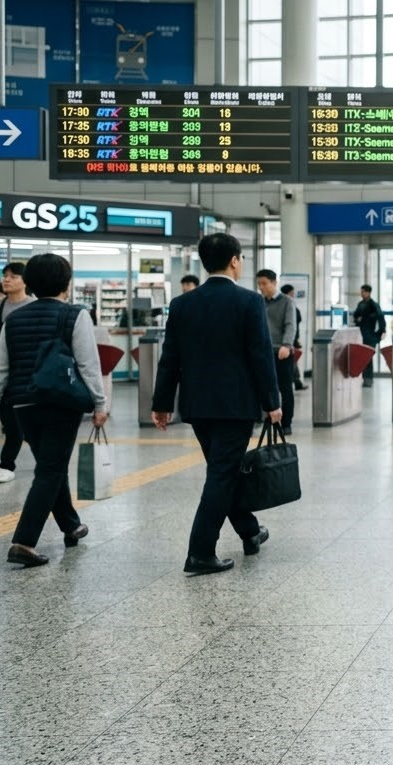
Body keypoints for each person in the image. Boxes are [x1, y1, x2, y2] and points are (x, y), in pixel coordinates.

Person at [152, 233, 281, 576]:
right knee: (222, 474)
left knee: (225, 471)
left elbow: (170, 359)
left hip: (197, 406)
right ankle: (200, 552)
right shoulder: (249, 301)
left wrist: (162, 402)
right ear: (235, 260)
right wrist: (272, 401)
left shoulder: (182, 304)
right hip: (235, 405)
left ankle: (250, 531)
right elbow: (260, 356)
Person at [0, 253, 108, 567]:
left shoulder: (14, 318)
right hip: (60, 403)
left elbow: (0, 369)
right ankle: (23, 541)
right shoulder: (75, 315)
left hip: (23, 405)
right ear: (66, 283)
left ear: (31, 283)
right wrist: (100, 403)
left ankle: (70, 525)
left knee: (51, 464)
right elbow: (88, 365)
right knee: (50, 470)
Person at [0, 262, 35, 484]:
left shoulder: (33, 306)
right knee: (10, 421)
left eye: (13, 276)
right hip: (2, 372)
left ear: (25, 281)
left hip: (29, 373)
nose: (7, 280)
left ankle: (43, 461)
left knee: (31, 424)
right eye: (5, 276)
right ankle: (6, 464)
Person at [256, 270, 297, 436]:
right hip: (263, 352)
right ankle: (264, 418)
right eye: (259, 284)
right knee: (262, 387)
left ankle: (286, 423)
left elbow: (290, 325)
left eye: (264, 283)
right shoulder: (258, 302)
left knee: (285, 389)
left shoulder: (287, 301)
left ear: (274, 283)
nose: (261, 287)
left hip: (282, 352)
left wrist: (286, 345)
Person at [352, 284, 385, 388]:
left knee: (368, 357)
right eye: (361, 292)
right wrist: (357, 319)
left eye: (363, 292)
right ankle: (365, 378)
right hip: (362, 335)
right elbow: (356, 316)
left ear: (368, 292)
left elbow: (380, 319)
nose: (361, 293)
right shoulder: (360, 304)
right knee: (364, 356)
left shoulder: (374, 305)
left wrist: (381, 332)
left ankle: (368, 379)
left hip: (370, 336)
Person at [280, 284, 306, 390]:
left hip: (290, 339)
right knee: (292, 361)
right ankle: (296, 381)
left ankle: (297, 381)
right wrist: (293, 339)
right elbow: (292, 324)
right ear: (290, 292)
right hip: (288, 340)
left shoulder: (284, 303)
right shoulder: (288, 304)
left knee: (293, 361)